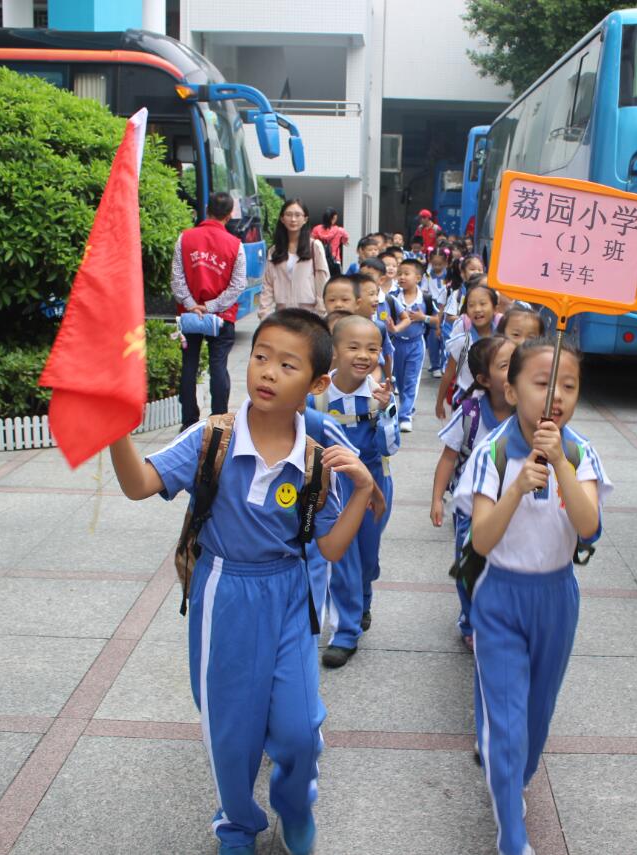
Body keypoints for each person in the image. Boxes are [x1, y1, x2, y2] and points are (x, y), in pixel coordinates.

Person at [108, 309, 375, 855]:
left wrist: (365, 491)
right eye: (260, 357)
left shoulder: (316, 459)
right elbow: (140, 485)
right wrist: (114, 429)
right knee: (231, 732)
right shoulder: (213, 437)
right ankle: (236, 825)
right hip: (221, 591)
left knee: (299, 730)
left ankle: (295, 807)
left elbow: (330, 548)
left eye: (286, 364)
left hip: (287, 595)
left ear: (316, 384)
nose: (268, 372)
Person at [455, 337, 610, 855]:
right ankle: (512, 837)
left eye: (568, 385)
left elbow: (589, 529)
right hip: (499, 598)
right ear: (511, 386)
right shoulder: (493, 452)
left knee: (535, 721)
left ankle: (513, 778)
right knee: (506, 725)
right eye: (543, 383)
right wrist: (518, 486)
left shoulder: (580, 452)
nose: (556, 396)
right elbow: (481, 539)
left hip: (557, 599)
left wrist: (561, 464)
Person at [311, 315, 400, 668]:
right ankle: (345, 631)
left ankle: (363, 599)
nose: (364, 355)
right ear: (334, 352)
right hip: (334, 487)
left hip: (376, 483)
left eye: (373, 348)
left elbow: (389, 448)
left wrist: (385, 411)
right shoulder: (316, 395)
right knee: (341, 557)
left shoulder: (380, 396)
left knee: (367, 557)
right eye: (354, 347)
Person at [430, 334, 515, 648]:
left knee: (506, 565)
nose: (517, 369)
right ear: (484, 379)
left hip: (514, 507)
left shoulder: (532, 414)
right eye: (506, 365)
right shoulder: (470, 413)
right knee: (470, 566)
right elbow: (448, 457)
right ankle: (469, 619)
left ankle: (500, 616)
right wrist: (438, 498)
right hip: (470, 508)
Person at [170, 192, 246, 427]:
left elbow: (176, 278)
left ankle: (189, 421)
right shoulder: (236, 245)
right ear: (230, 214)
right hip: (222, 317)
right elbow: (238, 285)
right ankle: (219, 420)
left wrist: (193, 305)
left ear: (206, 208)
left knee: (189, 366)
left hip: (190, 316)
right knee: (218, 366)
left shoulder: (185, 238)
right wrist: (212, 306)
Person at [437, 283, 501, 419]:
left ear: (495, 308)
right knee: (461, 439)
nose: (477, 309)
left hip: (496, 405)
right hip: (465, 402)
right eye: (471, 305)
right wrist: (439, 403)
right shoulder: (462, 341)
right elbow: (448, 373)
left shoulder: (504, 341)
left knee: (494, 441)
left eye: (483, 304)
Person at [389, 257, 438, 432]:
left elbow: (438, 319)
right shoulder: (393, 298)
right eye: (399, 274)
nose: (401, 277)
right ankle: (407, 406)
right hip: (396, 345)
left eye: (406, 274)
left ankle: (404, 415)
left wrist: (422, 318)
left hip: (416, 345)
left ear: (418, 277)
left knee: (411, 380)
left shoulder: (425, 297)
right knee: (399, 382)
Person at [259, 199, 328, 319]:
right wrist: (265, 315)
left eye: (298, 215)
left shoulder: (314, 246)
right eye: (289, 214)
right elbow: (268, 286)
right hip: (282, 315)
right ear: (282, 218)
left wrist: (319, 315)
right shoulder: (274, 251)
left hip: (309, 315)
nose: (293, 219)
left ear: (305, 219)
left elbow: (322, 282)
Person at [424, 248, 451, 377]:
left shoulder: (449, 276)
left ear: (446, 263)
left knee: (445, 337)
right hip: (433, 305)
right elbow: (425, 291)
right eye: (434, 264)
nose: (437, 267)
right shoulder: (427, 275)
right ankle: (435, 364)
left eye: (440, 264)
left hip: (446, 306)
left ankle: (443, 363)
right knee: (433, 337)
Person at [311, 207, 349, 277]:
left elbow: (312, 241)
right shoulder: (340, 230)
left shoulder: (316, 229)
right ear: (334, 218)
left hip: (319, 259)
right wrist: (343, 241)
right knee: (336, 282)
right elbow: (346, 238)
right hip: (334, 259)